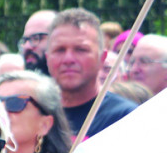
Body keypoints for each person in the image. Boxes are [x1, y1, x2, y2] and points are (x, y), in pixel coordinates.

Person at [46, 8, 136, 138]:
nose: (68, 59)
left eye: (81, 49)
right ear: (47, 57)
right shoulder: (35, 114)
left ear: (102, 58)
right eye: (60, 50)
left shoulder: (125, 118)